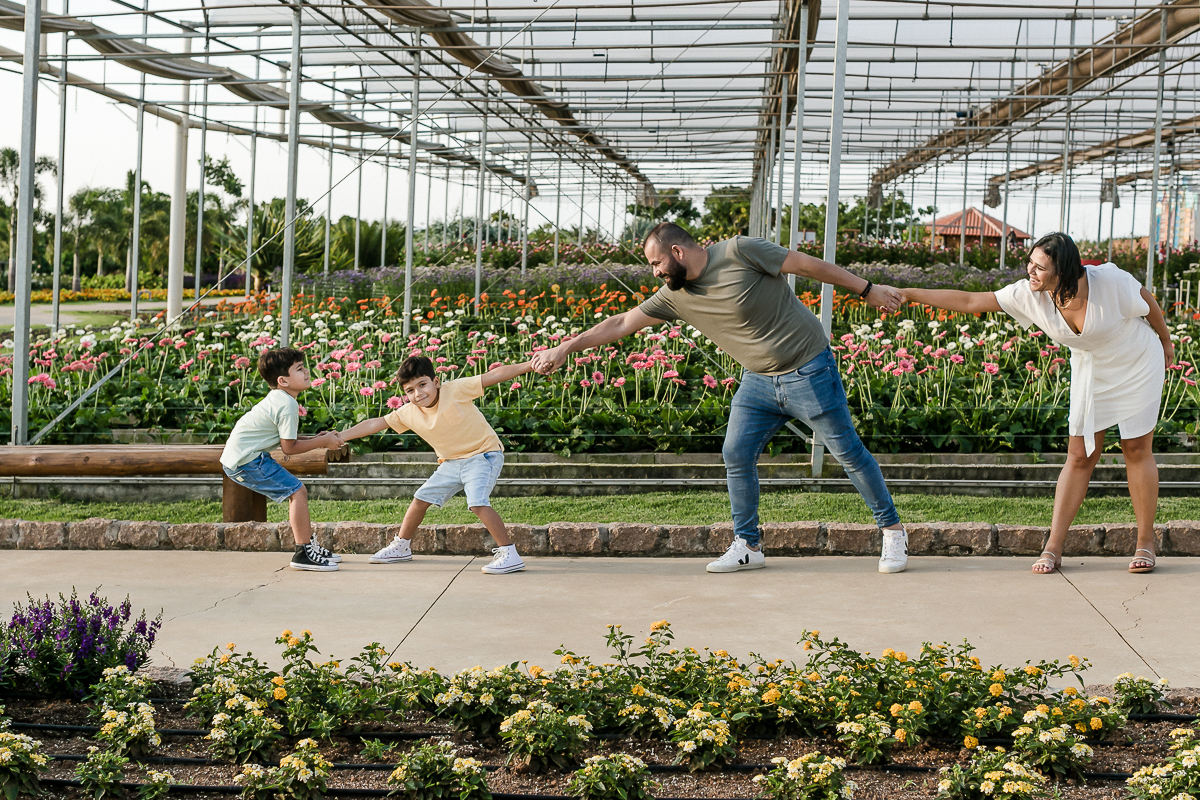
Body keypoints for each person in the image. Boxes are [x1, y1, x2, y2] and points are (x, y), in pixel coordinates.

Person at [531, 223, 912, 574]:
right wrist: (568, 346)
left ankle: (893, 532)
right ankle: (748, 544)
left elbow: (810, 266)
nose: (655, 272)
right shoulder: (673, 296)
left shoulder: (741, 251)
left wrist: (867, 289)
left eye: (656, 263)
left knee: (847, 453)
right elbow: (621, 322)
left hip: (808, 370)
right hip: (758, 382)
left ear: (677, 252)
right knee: (736, 453)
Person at [898, 232, 1174, 574]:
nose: (1030, 271)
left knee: (1135, 448)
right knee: (1079, 455)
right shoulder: (1029, 294)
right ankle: (1054, 547)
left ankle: (1145, 542)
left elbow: (1148, 302)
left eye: (1040, 267)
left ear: (1064, 271)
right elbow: (971, 300)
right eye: (1030, 262)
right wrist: (908, 293)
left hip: (1136, 362)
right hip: (1092, 370)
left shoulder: (1110, 281)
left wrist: (1166, 342)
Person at [340, 355, 535, 575]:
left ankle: (509, 553)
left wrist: (530, 364)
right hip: (451, 462)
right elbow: (376, 423)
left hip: (483, 455)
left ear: (436, 381)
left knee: (477, 502)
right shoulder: (409, 412)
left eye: (422, 385)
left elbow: (494, 375)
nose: (418, 394)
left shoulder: (456, 390)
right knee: (420, 499)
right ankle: (402, 546)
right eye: (410, 390)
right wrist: (340, 436)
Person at [221, 348, 345, 572]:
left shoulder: (281, 398)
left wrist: (317, 438)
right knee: (297, 491)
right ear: (283, 380)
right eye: (299, 369)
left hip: (246, 457)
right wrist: (322, 442)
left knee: (297, 491)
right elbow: (289, 448)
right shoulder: (287, 404)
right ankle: (303, 552)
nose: (307, 372)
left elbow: (286, 439)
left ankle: (307, 547)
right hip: (245, 461)